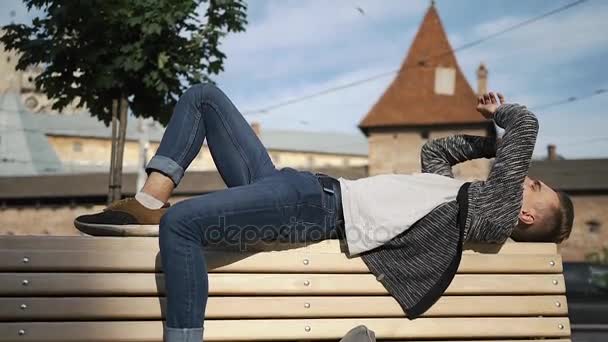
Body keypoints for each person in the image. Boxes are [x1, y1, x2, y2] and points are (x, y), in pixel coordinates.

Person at [74, 83, 574, 342]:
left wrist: (500, 119)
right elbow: (436, 152)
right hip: (295, 188)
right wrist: (488, 142)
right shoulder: (457, 200)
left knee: (182, 226)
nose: (529, 179)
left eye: (537, 188)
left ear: (525, 217)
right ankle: (146, 203)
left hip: (312, 207)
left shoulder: (493, 212)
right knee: (204, 98)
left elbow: (525, 124)